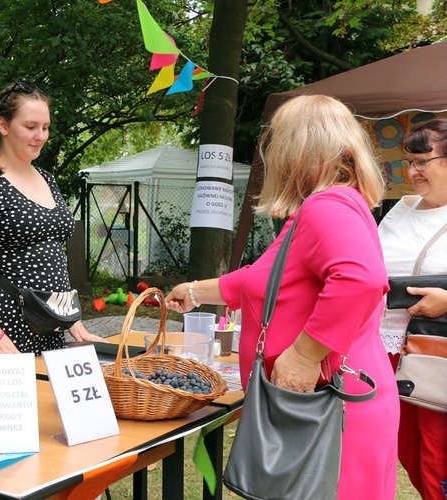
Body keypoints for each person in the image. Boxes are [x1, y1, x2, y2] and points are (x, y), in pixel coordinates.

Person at [164, 95, 399, 498]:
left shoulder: (327, 206)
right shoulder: (323, 206)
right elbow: (261, 279)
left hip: (328, 404)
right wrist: (194, 291)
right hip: (325, 403)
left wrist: (304, 356)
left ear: (292, 150)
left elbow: (360, 279)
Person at [0, 81, 105, 381]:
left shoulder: (47, 178)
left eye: (45, 127)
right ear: (3, 125)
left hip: (48, 326)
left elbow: (53, 254)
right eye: (31, 126)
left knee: (45, 423)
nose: (40, 136)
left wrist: (72, 321)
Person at [378, 118, 447, 500]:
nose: (412, 171)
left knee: (439, 455)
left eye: (422, 160)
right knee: (407, 451)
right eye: (408, 161)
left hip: (438, 352)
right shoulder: (400, 208)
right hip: (385, 349)